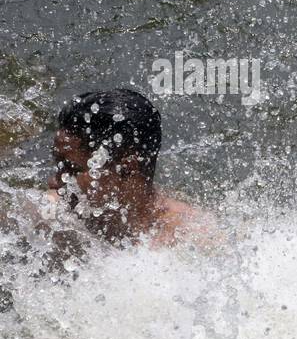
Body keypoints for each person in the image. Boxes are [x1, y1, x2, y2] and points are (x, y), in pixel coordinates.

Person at [41, 87, 212, 248]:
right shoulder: (51, 213)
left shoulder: (194, 238)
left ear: (126, 166)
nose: (53, 182)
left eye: (72, 169)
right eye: (59, 166)